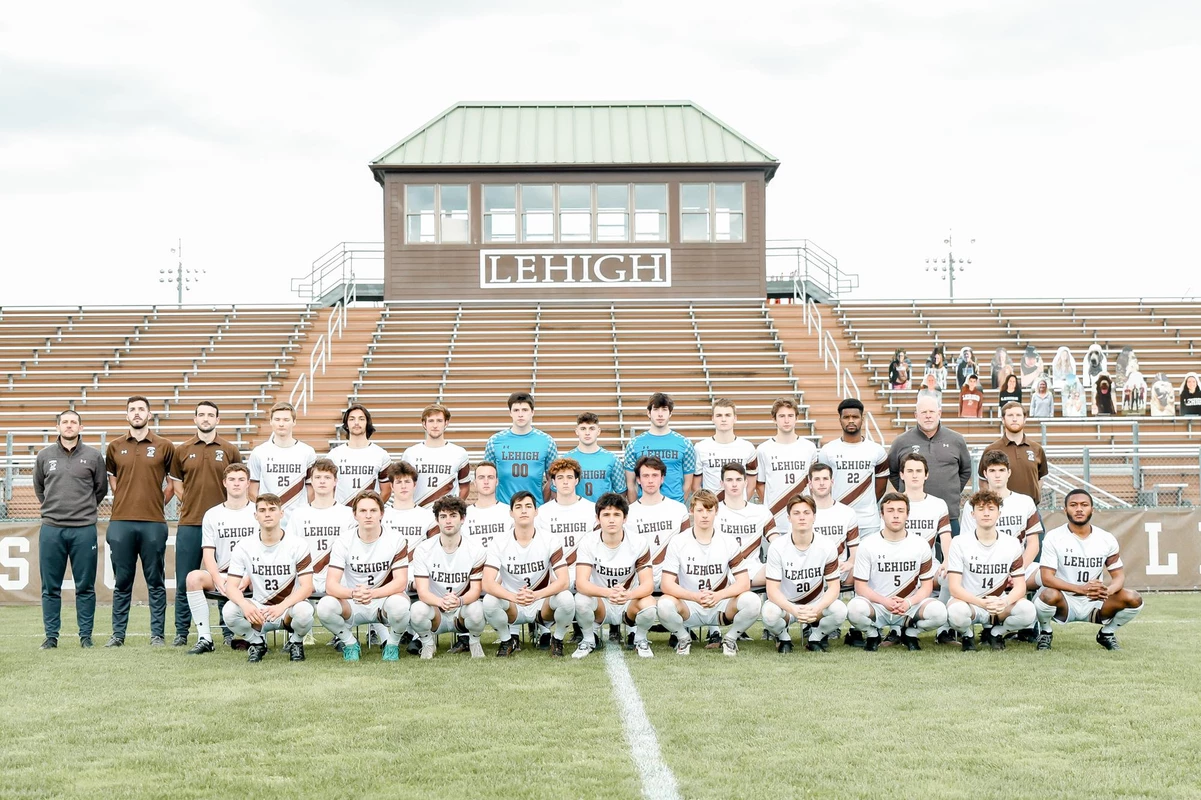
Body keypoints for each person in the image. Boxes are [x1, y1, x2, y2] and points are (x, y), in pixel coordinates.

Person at [168, 400, 243, 646]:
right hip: (191, 522)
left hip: (223, 525)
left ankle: (228, 631)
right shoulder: (182, 450)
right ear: (195, 419)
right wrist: (188, 500)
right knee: (184, 579)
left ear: (217, 420)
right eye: (201, 414)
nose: (206, 418)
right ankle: (182, 631)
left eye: (211, 415)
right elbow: (176, 484)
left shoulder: (229, 449)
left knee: (225, 578)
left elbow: (237, 482)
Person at [104, 395, 176, 647]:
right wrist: (125, 496)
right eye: (132, 409)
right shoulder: (114, 446)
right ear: (126, 415)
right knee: (122, 581)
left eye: (141, 409)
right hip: (121, 522)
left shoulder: (165, 445)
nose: (137, 413)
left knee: (155, 580)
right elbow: (113, 480)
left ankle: (157, 634)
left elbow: (172, 485)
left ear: (149, 414)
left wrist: (157, 502)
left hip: (153, 523)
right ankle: (118, 635)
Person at [33, 410, 108, 649]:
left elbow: (100, 489)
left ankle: (85, 636)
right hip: (52, 529)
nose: (69, 426)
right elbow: (39, 489)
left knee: (85, 586)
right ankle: (51, 637)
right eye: (64, 422)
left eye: (73, 422)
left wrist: (82, 510)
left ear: (80, 427)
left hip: (83, 530)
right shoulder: (44, 456)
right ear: (58, 427)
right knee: (50, 587)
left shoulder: (94, 456)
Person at [1033, 489, 1143, 650]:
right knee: (1047, 594)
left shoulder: (1106, 539)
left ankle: (1107, 633)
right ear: (1065, 510)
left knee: (1134, 598)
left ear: (1092, 509)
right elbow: (1046, 577)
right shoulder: (1054, 537)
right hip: (1065, 599)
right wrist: (1080, 589)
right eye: (1073, 505)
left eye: (1084, 505)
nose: (1079, 509)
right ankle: (1045, 632)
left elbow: (1119, 576)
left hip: (1094, 600)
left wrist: (1108, 591)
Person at [657, 490, 762, 657]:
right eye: (700, 510)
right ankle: (683, 638)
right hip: (689, 606)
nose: (704, 515)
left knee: (753, 601)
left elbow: (744, 583)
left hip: (720, 606)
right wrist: (694, 596)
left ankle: (730, 639)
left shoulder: (728, 541)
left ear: (716, 511)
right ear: (691, 511)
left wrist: (718, 596)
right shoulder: (679, 541)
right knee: (663, 605)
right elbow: (666, 584)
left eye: (709, 510)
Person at [315, 490, 411, 662]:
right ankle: (350, 643)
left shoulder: (396, 539)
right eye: (363, 511)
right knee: (324, 606)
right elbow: (331, 585)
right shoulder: (343, 541)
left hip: (383, 601)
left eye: (373, 511)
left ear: (382, 513)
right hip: (355, 602)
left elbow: (400, 582)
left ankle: (392, 645)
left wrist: (373, 593)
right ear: (355, 514)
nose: (368, 515)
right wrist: (353, 594)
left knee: (401, 605)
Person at [846, 493, 947, 651]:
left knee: (940, 612)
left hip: (909, 606)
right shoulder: (868, 545)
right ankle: (873, 634)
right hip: (879, 605)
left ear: (907, 514)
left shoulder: (920, 544)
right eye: (890, 510)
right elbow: (860, 587)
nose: (895, 515)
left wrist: (909, 602)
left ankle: (910, 633)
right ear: (882, 514)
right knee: (854, 609)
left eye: (900, 510)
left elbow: (927, 587)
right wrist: (884, 601)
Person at [221, 494, 315, 663]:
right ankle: (257, 642)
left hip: (288, 608)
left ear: (281, 513)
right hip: (259, 609)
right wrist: (244, 605)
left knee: (305, 611)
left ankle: (296, 642)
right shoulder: (244, 546)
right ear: (255, 516)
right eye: (262, 510)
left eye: (272, 509)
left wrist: (282, 606)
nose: (267, 514)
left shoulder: (298, 544)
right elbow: (231, 587)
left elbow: (307, 587)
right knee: (229, 610)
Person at [481, 491, 574, 657]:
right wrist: (514, 597)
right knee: (489, 601)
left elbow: (564, 581)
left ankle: (557, 639)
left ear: (536, 511)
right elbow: (487, 583)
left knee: (566, 598)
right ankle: (507, 639)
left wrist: (536, 595)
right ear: (511, 513)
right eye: (518, 507)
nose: (524, 511)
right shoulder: (499, 542)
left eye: (528, 506)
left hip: (541, 603)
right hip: (513, 603)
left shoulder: (550, 539)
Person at [945, 490, 1036, 651]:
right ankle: (967, 634)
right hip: (970, 603)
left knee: (1028, 611)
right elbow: (954, 587)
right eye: (981, 509)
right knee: (956, 612)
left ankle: (996, 633)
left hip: (999, 603)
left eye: (991, 509)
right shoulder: (959, 542)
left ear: (999, 513)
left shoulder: (1011, 543)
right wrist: (981, 603)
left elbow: (1020, 587)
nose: (986, 513)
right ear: (972, 514)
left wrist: (1004, 601)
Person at [181, 463, 258, 654]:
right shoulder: (212, 514)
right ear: (224, 483)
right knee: (193, 578)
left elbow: (261, 551)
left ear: (248, 483)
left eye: (241, 480)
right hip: (224, 574)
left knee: (264, 580)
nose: (236, 484)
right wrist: (217, 579)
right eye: (232, 480)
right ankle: (205, 638)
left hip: (251, 575)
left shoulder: (258, 511)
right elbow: (208, 553)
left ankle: (259, 635)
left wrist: (247, 578)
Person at [572, 492, 658, 659]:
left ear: (625, 518)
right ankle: (589, 639)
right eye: (606, 514)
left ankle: (640, 639)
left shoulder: (638, 542)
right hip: (602, 602)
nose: (611, 519)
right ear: (597, 518)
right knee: (581, 599)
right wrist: (608, 593)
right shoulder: (588, 542)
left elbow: (648, 585)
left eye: (617, 514)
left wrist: (628, 594)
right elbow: (581, 583)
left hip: (628, 602)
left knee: (649, 603)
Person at [762, 495, 847, 653]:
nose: (802, 517)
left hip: (816, 606)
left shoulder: (827, 546)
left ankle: (815, 637)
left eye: (807, 513)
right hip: (787, 606)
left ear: (814, 517)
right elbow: (772, 590)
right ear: (788, 518)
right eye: (796, 513)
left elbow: (834, 588)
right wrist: (793, 610)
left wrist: (816, 609)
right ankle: (783, 637)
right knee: (769, 612)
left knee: (840, 609)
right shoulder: (777, 547)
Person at [408, 495, 488, 659]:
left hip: (461, 611)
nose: (448, 521)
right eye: (443, 516)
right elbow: (422, 592)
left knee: (477, 609)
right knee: (417, 610)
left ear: (463, 518)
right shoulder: (423, 549)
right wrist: (441, 602)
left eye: (453, 515)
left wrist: (458, 601)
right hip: (435, 609)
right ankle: (428, 644)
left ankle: (474, 642)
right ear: (437, 520)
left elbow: (476, 590)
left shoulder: (476, 550)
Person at [886, 394, 971, 536]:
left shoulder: (956, 440)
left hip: (948, 516)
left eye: (931, 412)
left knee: (949, 556)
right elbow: (894, 472)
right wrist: (908, 489)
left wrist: (952, 489)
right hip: (912, 517)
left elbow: (965, 471)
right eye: (923, 412)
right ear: (916, 415)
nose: (928, 416)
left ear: (939, 413)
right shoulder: (901, 442)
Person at [960, 451, 1042, 586]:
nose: (997, 475)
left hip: (1019, 566)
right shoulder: (973, 505)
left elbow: (1033, 544)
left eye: (1001, 470)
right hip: (984, 569)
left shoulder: (1025, 502)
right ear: (985, 474)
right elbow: (968, 544)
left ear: (1009, 472)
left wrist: (1018, 571)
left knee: (1047, 574)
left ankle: (1040, 605)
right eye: (992, 470)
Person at [817, 398, 888, 540]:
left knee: (868, 561)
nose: (850, 421)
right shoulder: (828, 451)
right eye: (846, 417)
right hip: (836, 519)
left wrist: (867, 503)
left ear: (862, 418)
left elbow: (880, 487)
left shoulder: (876, 451)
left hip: (868, 521)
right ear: (840, 420)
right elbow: (823, 484)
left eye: (855, 417)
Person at [624, 455, 690, 592]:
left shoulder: (679, 509)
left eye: (655, 475)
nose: (650, 480)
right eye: (645, 476)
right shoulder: (629, 513)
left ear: (662, 479)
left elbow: (686, 548)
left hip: (672, 579)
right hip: (640, 580)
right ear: (638, 480)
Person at [247, 401, 316, 527]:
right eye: (277, 419)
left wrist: (305, 512)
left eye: (286, 419)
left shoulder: (307, 452)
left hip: (298, 520)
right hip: (269, 520)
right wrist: (266, 511)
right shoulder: (259, 452)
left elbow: (311, 490)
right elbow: (252, 490)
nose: (281, 424)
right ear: (271, 422)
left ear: (294, 422)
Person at [755, 397, 819, 533]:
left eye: (790, 416)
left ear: (796, 418)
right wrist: (772, 505)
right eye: (782, 416)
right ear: (774, 419)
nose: (786, 420)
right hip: (774, 518)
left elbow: (814, 483)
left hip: (803, 518)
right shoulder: (763, 449)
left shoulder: (809, 447)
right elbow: (760, 484)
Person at [483, 391, 557, 505]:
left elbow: (553, 480)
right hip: (503, 508)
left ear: (532, 412)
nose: (520, 414)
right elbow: (487, 478)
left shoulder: (547, 442)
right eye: (516, 410)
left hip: (535, 509)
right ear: (510, 413)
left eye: (525, 410)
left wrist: (541, 503)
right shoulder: (494, 441)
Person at [623, 392, 696, 504]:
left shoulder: (685, 443)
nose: (660, 414)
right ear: (648, 413)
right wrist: (636, 507)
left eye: (664, 410)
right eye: (656, 409)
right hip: (645, 506)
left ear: (670, 413)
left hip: (674, 505)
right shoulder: (634, 444)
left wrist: (678, 504)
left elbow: (687, 483)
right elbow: (631, 484)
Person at [536, 458, 598, 586]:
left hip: (587, 577)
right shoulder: (542, 513)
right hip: (554, 578)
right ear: (553, 482)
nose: (565, 482)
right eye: (560, 478)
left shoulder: (592, 510)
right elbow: (538, 552)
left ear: (576, 481)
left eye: (569, 477)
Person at [978, 405, 1048, 514]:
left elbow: (1040, 478)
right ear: (1003, 419)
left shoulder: (1036, 449)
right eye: (1010, 415)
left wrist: (1031, 498)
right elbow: (983, 480)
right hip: (1001, 510)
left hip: (1031, 510)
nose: (1014, 419)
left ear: (1025, 419)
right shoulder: (991, 449)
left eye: (1018, 415)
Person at [716, 462, 775, 587]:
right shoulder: (713, 512)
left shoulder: (761, 512)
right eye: (729, 480)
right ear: (722, 483)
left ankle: (740, 584)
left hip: (753, 570)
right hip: (722, 570)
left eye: (738, 479)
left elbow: (777, 542)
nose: (734, 484)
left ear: (745, 482)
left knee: (784, 570)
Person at [401, 403, 472, 506]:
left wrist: (454, 508)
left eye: (439, 421)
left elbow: (464, 486)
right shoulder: (410, 454)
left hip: (446, 515)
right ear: (424, 424)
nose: (435, 425)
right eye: (431, 421)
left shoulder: (459, 453)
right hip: (418, 513)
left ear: (446, 423)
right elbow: (403, 486)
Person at [808, 462, 859, 594]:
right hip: (810, 572)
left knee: (864, 569)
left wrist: (850, 563)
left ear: (832, 482)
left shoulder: (847, 513)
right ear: (810, 483)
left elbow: (855, 550)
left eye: (825, 479)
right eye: (817, 479)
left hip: (840, 570)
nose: (821, 483)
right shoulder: (803, 512)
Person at [327, 404, 392, 505]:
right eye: (352, 419)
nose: (356, 423)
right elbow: (327, 489)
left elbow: (386, 490)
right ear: (346, 424)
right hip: (341, 515)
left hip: (369, 517)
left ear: (367, 423)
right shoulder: (334, 455)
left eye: (361, 419)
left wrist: (371, 510)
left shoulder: (380, 455)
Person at [693, 398, 758, 500]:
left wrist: (741, 502)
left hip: (739, 509)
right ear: (712, 418)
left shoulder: (747, 448)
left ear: (735, 418)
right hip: (712, 509)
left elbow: (751, 485)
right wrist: (708, 505)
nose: (723, 419)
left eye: (728, 415)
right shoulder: (700, 448)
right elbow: (696, 486)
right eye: (719, 415)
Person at [565, 412, 626, 502]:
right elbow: (557, 490)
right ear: (576, 431)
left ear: (598, 431)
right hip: (575, 512)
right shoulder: (567, 459)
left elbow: (621, 492)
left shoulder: (612, 459)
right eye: (583, 429)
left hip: (603, 512)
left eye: (592, 428)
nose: (587, 433)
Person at [461, 461, 512, 550]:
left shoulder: (509, 513)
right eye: (481, 478)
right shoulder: (465, 514)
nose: (486, 481)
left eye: (490, 477)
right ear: (475, 483)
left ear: (496, 482)